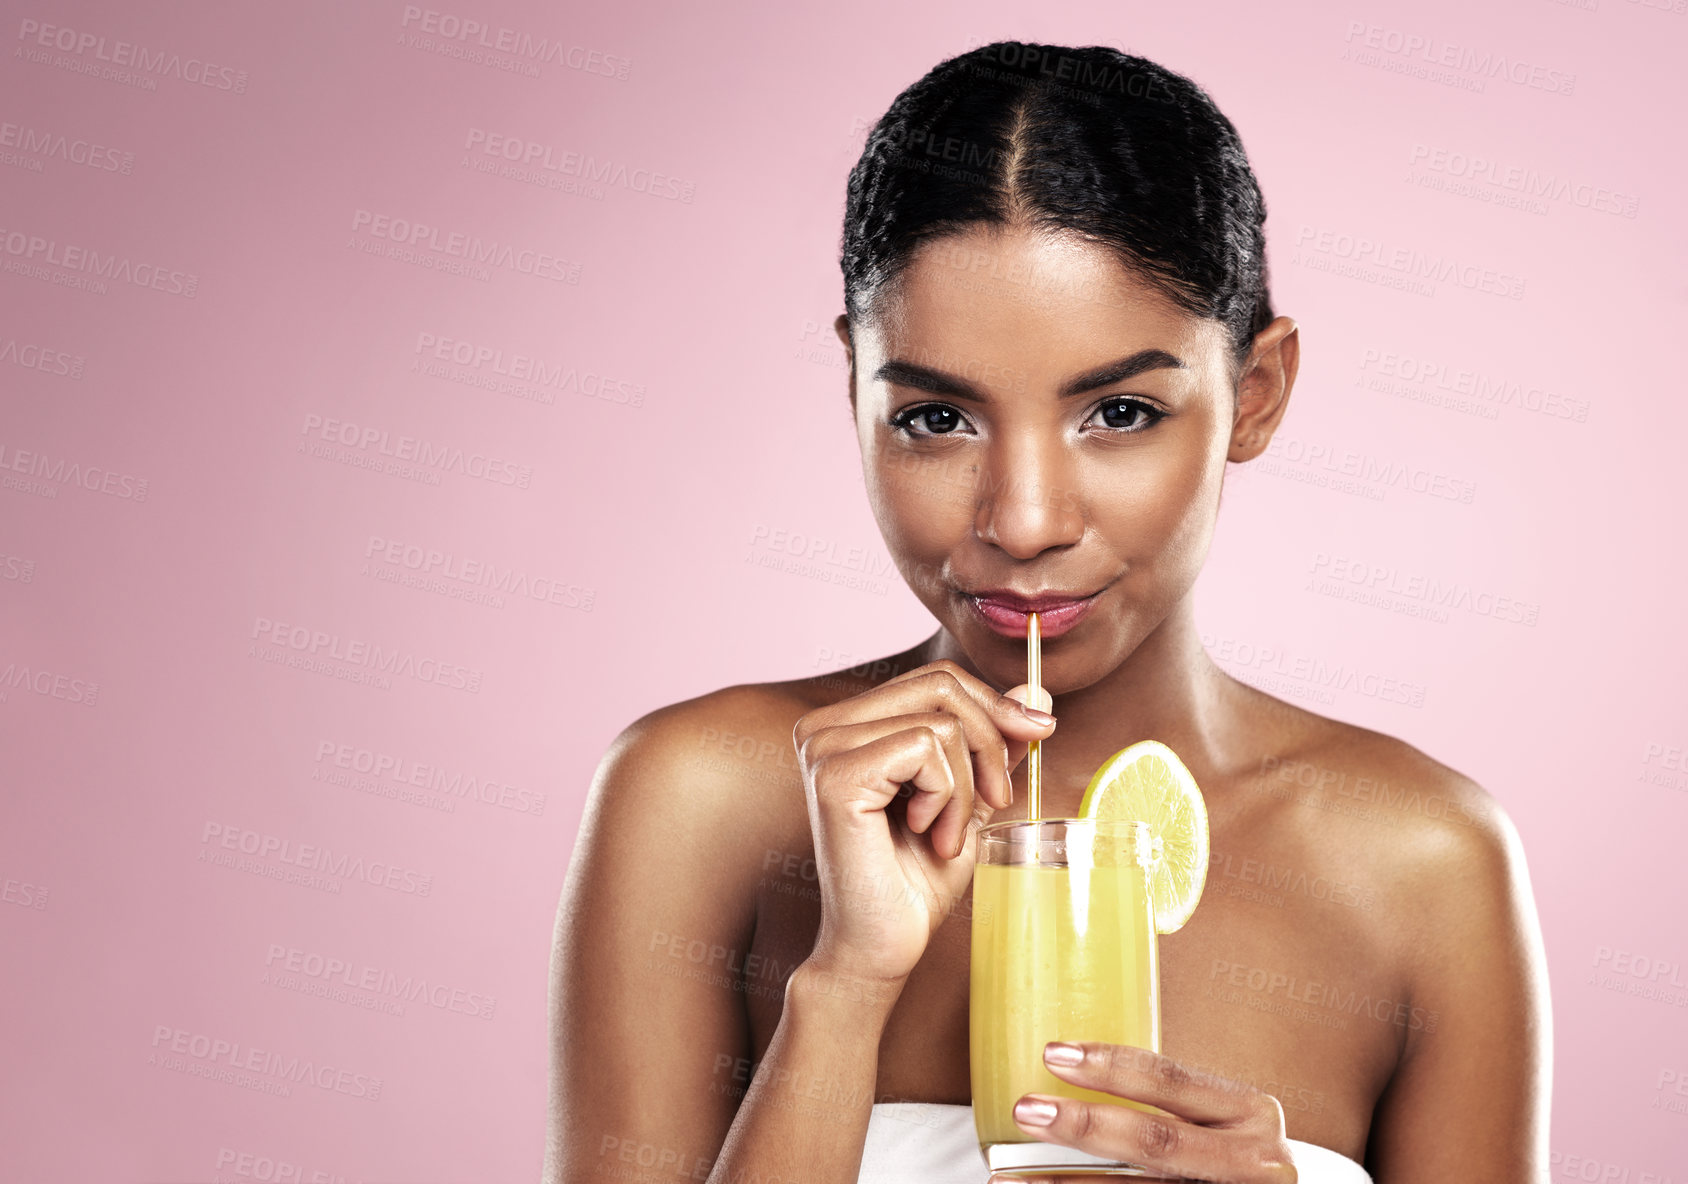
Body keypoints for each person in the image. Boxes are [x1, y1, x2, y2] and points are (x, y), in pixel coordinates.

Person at [542, 41, 1551, 1184]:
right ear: (854, 390)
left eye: (1118, 410)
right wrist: (842, 989)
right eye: (935, 419)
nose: (1021, 521)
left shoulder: (1422, 862)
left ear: (1254, 395)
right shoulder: (705, 795)